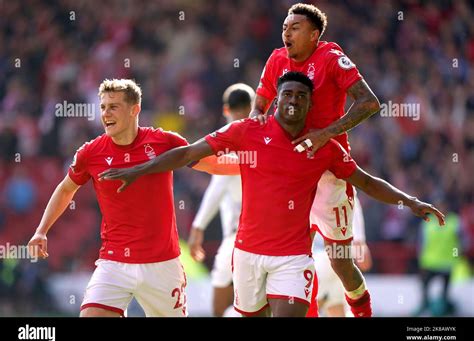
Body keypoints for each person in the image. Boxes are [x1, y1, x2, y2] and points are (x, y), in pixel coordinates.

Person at [99, 72, 445, 317]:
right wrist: (138, 170)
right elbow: (190, 152)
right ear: (276, 99)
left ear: (310, 104)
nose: (294, 100)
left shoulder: (324, 147)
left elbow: (366, 182)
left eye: (301, 96)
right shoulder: (247, 131)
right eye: (288, 94)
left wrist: (410, 201)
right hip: (247, 254)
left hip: (294, 258)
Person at [27, 79, 237, 317]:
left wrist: (253, 164)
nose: (106, 113)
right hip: (114, 263)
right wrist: (41, 231)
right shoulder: (90, 152)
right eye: (103, 107)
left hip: (163, 264)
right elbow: (66, 189)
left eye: (113, 106)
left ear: (134, 109)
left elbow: (211, 164)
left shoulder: (163, 142)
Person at [250, 3, 381, 317]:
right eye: (285, 27)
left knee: (339, 262)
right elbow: (259, 108)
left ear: (314, 34)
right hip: (290, 174)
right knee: (294, 257)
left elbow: (370, 102)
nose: (286, 33)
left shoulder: (332, 59)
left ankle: (363, 312)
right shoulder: (276, 59)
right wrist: (258, 132)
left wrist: (326, 133)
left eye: (294, 28)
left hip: (329, 170)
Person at [188, 83, 254, 317]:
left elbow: (218, 186)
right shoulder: (260, 139)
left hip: (239, 238)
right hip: (263, 238)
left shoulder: (228, 144)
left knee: (221, 309)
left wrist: (198, 227)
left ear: (226, 110)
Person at [309, 198, 372, 317]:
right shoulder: (347, 194)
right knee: (335, 308)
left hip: (319, 260)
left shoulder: (311, 189)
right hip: (338, 258)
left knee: (314, 306)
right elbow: (363, 259)